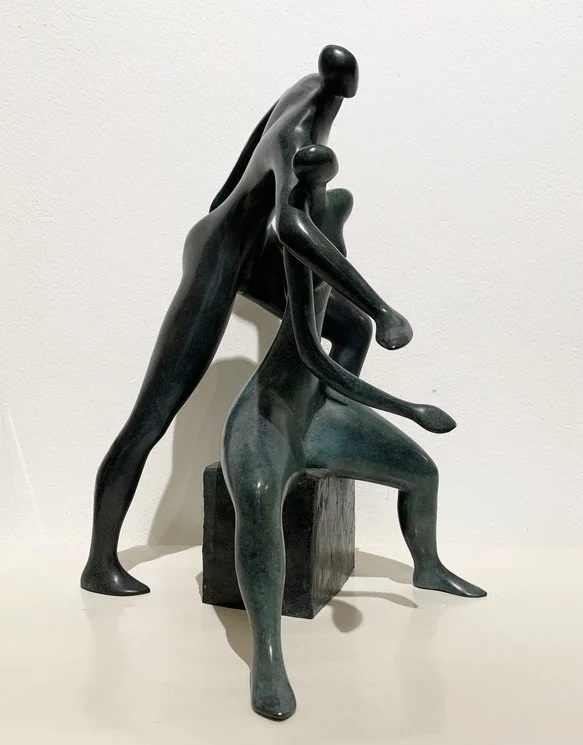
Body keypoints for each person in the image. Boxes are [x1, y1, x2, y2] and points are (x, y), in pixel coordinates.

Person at [81, 45, 412, 596]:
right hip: (220, 254)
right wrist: (382, 308)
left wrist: (235, 217)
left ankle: (320, 423)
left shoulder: (307, 87)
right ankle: (99, 563)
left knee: (349, 330)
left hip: (242, 244)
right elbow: (291, 227)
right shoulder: (300, 132)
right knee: (154, 413)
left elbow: (242, 169)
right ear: (345, 83)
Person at [221, 144, 486, 721]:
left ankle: (428, 566)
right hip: (268, 416)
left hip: (317, 412)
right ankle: (268, 656)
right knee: (259, 499)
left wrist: (371, 334)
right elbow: (316, 358)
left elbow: (352, 328)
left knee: (422, 473)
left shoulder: (334, 210)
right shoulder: (291, 234)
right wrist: (409, 408)